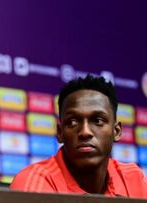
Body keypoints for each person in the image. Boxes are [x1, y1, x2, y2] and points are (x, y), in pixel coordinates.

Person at [10, 75, 147, 198]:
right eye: (73, 122)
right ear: (60, 132)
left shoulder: (133, 178)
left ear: (116, 131)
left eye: (98, 121)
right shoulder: (34, 184)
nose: (85, 132)